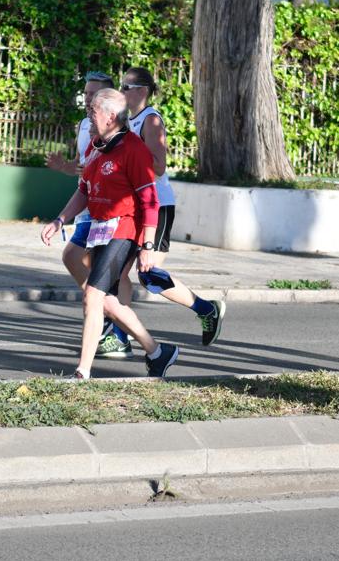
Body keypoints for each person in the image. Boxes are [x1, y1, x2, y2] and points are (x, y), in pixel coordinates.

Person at [41, 88, 179, 379]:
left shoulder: (134, 150)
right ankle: (157, 352)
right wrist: (60, 220)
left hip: (126, 229)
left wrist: (148, 245)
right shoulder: (95, 146)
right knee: (107, 301)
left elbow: (150, 200)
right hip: (100, 230)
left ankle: (83, 372)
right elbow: (83, 191)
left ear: (111, 116)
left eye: (93, 110)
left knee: (92, 295)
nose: (89, 114)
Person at [94, 67, 224, 358]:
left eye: (126, 87)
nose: (121, 91)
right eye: (120, 86)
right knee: (122, 273)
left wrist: (126, 161)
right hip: (132, 207)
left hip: (156, 204)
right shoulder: (128, 121)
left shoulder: (150, 120)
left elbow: (159, 166)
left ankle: (207, 309)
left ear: (142, 90)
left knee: (147, 274)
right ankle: (120, 336)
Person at [46, 71, 132, 354]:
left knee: (114, 275)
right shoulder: (86, 124)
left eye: (93, 95)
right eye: (86, 93)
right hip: (89, 205)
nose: (87, 100)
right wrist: (63, 167)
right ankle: (107, 315)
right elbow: (82, 169)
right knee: (74, 258)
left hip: (113, 213)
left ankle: (119, 333)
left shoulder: (122, 134)